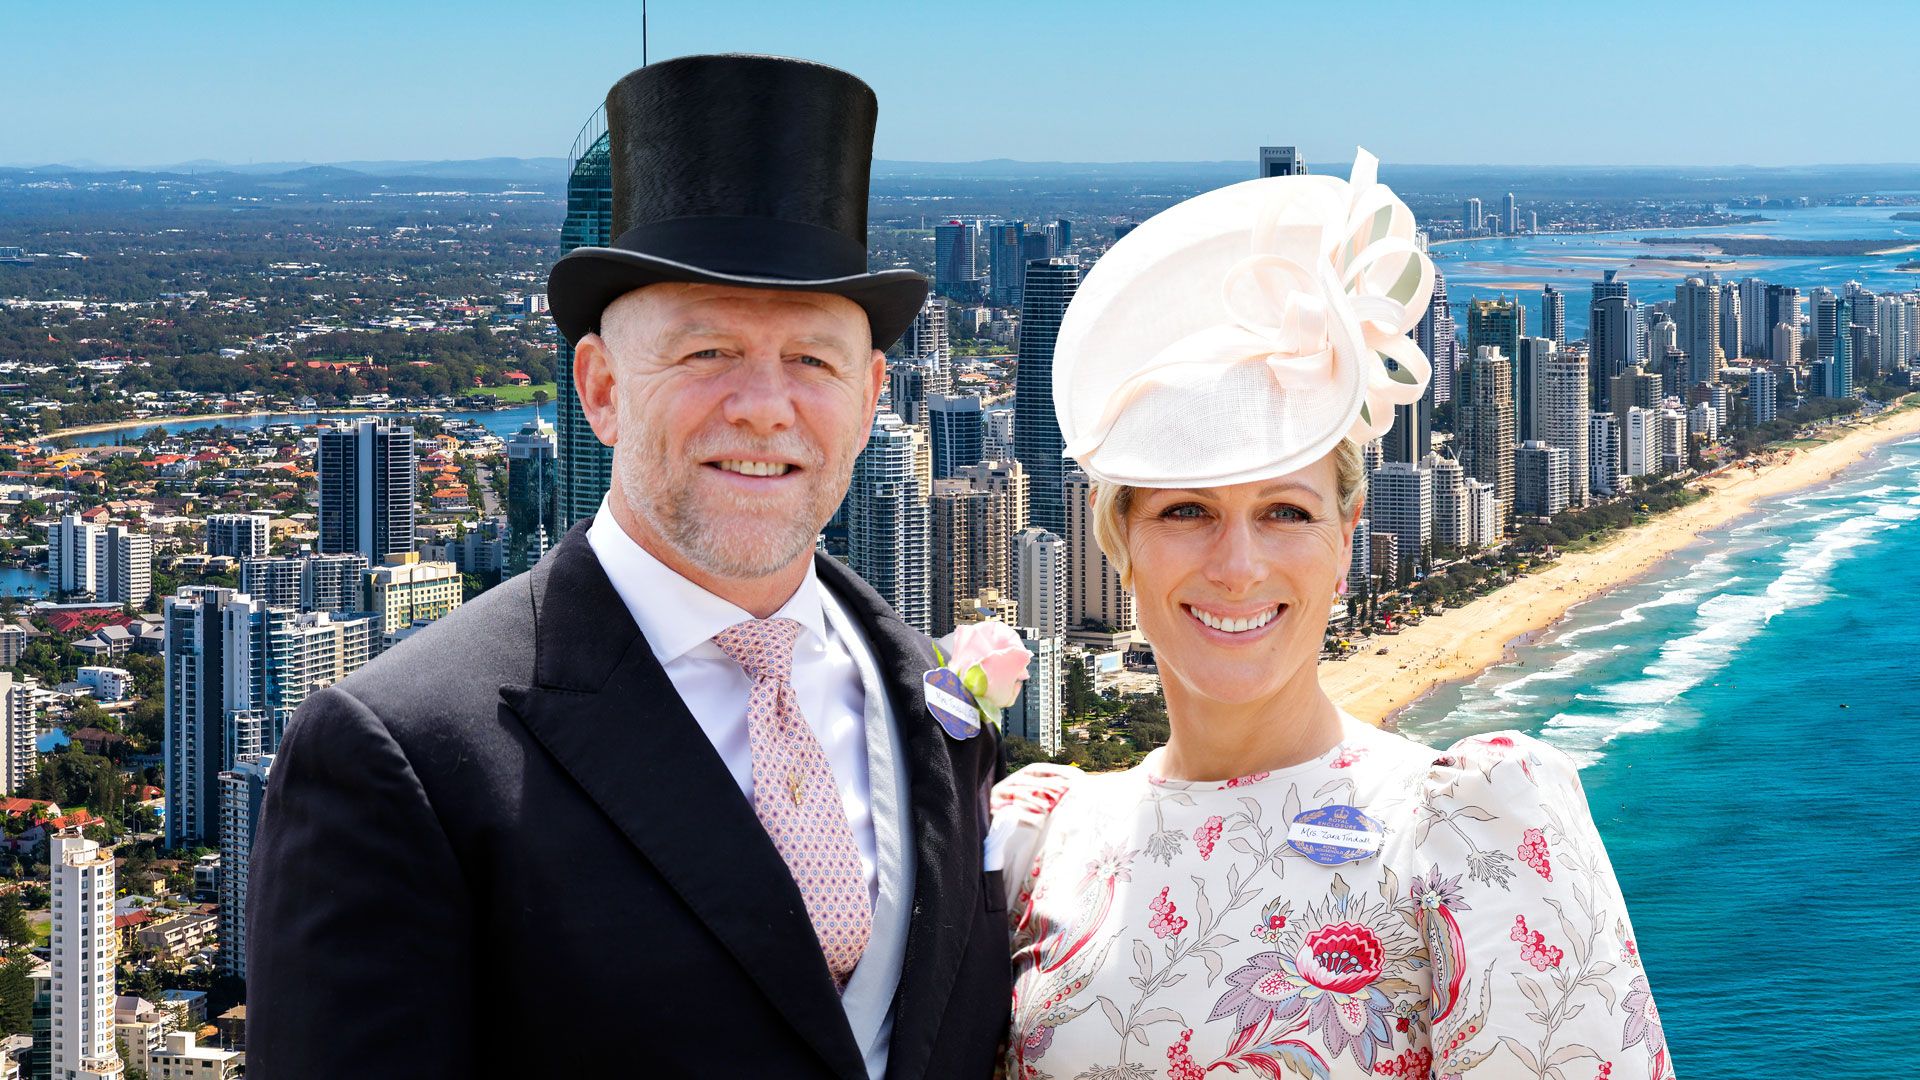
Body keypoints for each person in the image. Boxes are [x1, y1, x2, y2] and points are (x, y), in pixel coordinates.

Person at [247, 55, 1010, 1079]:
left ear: (873, 397)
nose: (763, 406)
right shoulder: (405, 754)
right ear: (601, 387)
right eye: (706, 354)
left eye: (814, 361)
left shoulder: (938, 708)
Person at [991, 151, 1673, 1079]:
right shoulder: (1042, 846)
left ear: (1348, 536)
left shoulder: (1471, 833)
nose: (1238, 565)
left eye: (1286, 512)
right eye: (1186, 511)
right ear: (1118, 541)